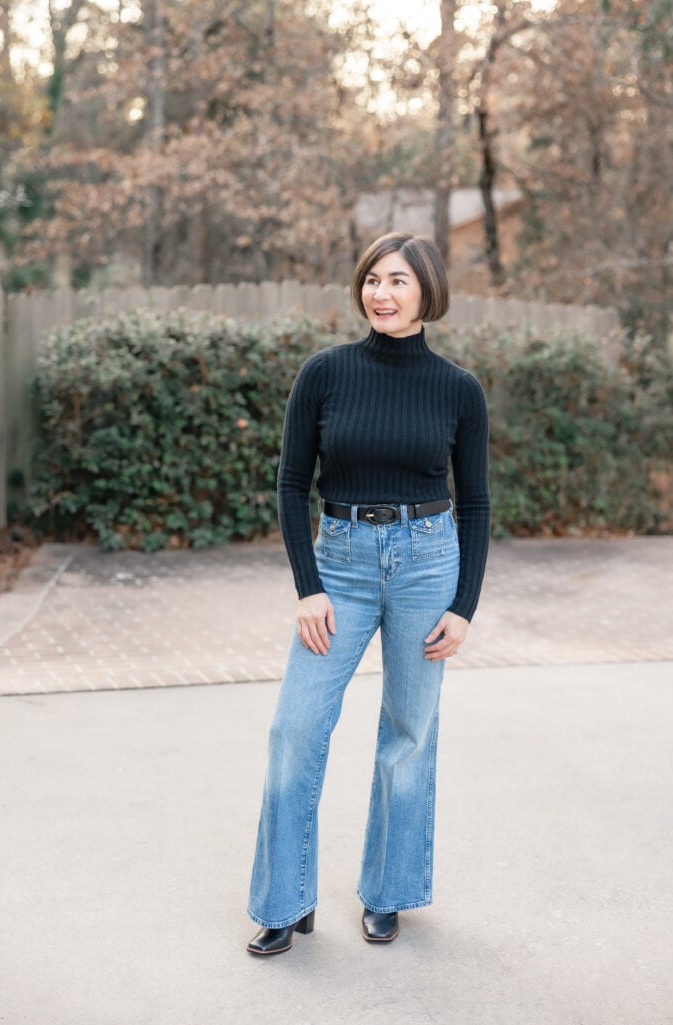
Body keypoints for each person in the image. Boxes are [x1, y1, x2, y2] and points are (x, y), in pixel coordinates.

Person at [247, 231, 490, 955]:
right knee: (295, 728)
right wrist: (308, 587)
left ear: (426, 291)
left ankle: (388, 892)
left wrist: (463, 605)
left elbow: (476, 503)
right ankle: (284, 901)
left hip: (427, 562)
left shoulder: (458, 389)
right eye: (373, 279)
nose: (381, 293)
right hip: (341, 563)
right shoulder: (324, 373)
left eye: (398, 281)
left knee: (409, 733)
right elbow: (292, 484)